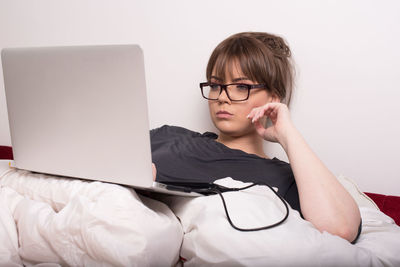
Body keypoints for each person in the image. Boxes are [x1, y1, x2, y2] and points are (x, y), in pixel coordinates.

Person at [150, 32, 361, 243]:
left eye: (242, 86)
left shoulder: (285, 179)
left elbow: (341, 228)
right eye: (215, 85)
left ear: (273, 98)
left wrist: (287, 134)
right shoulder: (169, 136)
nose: (222, 97)